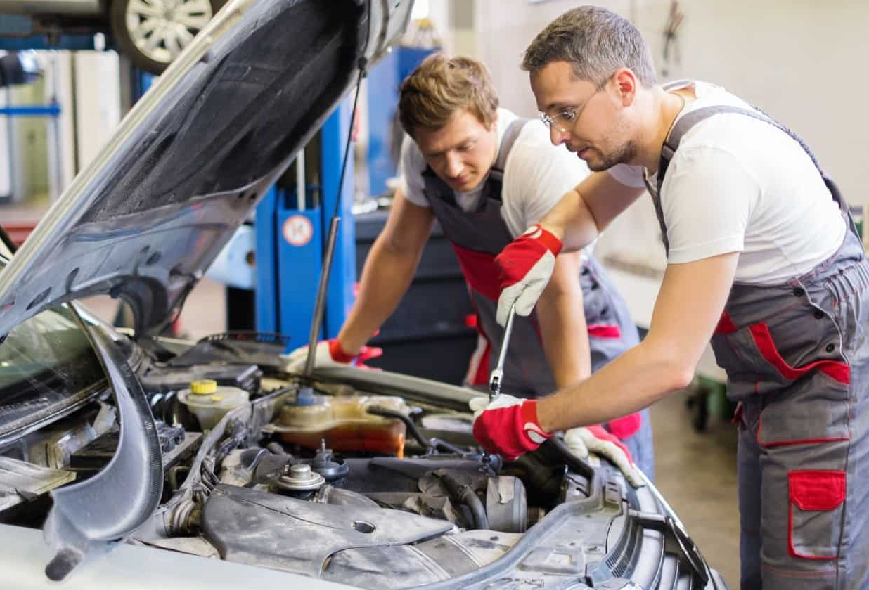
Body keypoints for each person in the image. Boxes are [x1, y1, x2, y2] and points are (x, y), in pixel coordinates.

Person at [470, 6, 869, 590]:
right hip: (771, 382)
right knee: (763, 565)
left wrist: (535, 419)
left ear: (624, 85)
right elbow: (588, 207)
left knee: (808, 575)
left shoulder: (707, 163)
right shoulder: (657, 120)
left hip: (821, 381)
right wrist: (546, 235)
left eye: (566, 112)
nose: (556, 135)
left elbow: (669, 363)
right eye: (548, 116)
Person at [286, 53, 654, 480]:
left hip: (582, 337)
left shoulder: (536, 163)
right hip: (507, 336)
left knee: (606, 480)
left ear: (491, 117)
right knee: (485, 467)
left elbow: (558, 292)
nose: (453, 168)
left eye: (465, 147)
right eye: (438, 154)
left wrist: (576, 408)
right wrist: (344, 349)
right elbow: (398, 250)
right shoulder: (422, 155)